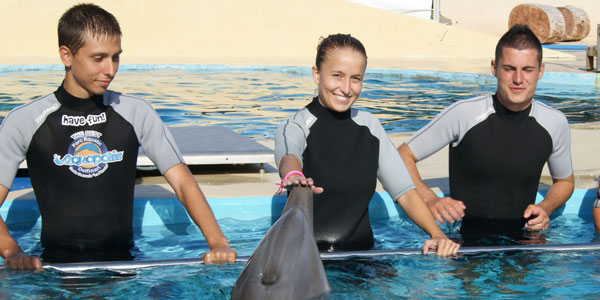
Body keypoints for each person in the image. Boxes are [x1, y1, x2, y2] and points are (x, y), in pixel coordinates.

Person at [0, 3, 236, 270]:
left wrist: (218, 244)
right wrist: (12, 251)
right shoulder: (25, 120)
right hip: (55, 270)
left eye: (116, 57)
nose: (110, 70)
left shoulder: (135, 112)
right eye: (98, 58)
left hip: (125, 267)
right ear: (66, 56)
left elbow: (182, 182)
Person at [274, 33, 459, 256]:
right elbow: (288, 156)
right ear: (316, 74)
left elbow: (406, 193)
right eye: (337, 76)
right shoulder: (296, 125)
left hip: (363, 256)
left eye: (356, 78)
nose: (346, 88)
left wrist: (437, 235)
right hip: (307, 259)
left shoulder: (370, 127)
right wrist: (293, 174)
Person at [397, 24, 574, 244]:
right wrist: (431, 200)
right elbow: (402, 156)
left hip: (524, 242)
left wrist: (545, 207)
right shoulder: (465, 114)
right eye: (509, 68)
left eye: (527, 69)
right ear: (494, 68)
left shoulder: (554, 122)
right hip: (463, 243)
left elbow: (565, 181)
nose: (518, 79)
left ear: (541, 71)